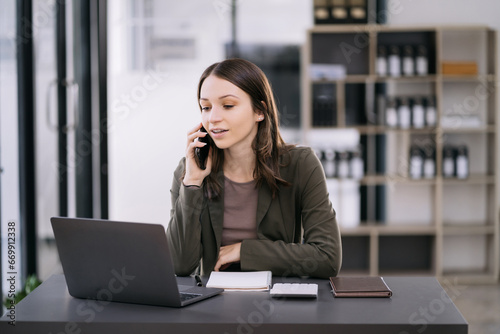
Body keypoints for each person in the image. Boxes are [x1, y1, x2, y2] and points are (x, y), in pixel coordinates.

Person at [166, 58, 341, 279]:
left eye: (228, 106)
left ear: (259, 111)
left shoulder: (300, 164)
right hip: (212, 304)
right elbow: (179, 265)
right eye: (206, 107)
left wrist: (243, 251)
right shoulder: (190, 169)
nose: (213, 118)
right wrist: (192, 183)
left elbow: (327, 257)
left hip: (276, 301)